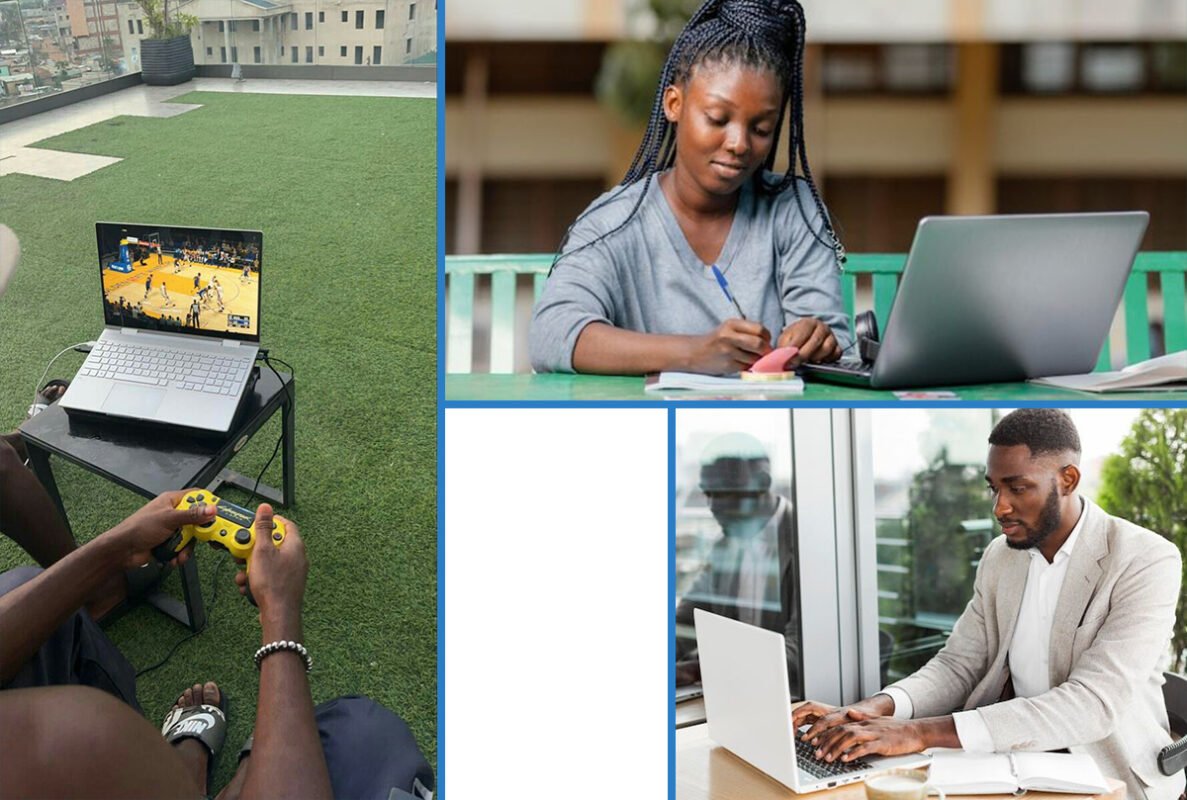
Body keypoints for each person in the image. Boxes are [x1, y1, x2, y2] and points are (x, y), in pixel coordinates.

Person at [792, 409, 1184, 800]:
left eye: (1018, 488)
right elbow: (959, 664)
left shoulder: (1144, 559)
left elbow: (1092, 703)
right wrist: (874, 710)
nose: (1000, 508)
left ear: (1068, 479)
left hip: (1110, 778)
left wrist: (917, 732)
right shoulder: (1002, 556)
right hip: (1011, 766)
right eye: (994, 488)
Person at [530, 0, 850, 376]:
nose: (739, 144)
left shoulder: (793, 209)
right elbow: (550, 335)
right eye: (718, 119)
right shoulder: (615, 220)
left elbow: (836, 343)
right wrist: (692, 354)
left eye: (761, 128)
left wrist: (820, 340)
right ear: (674, 103)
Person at [675, 433, 800, 693]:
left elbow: (799, 652)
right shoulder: (724, 544)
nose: (712, 506)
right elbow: (685, 620)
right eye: (708, 493)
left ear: (762, 484)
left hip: (795, 700)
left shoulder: (805, 541)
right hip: (735, 693)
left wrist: (703, 667)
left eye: (723, 493)